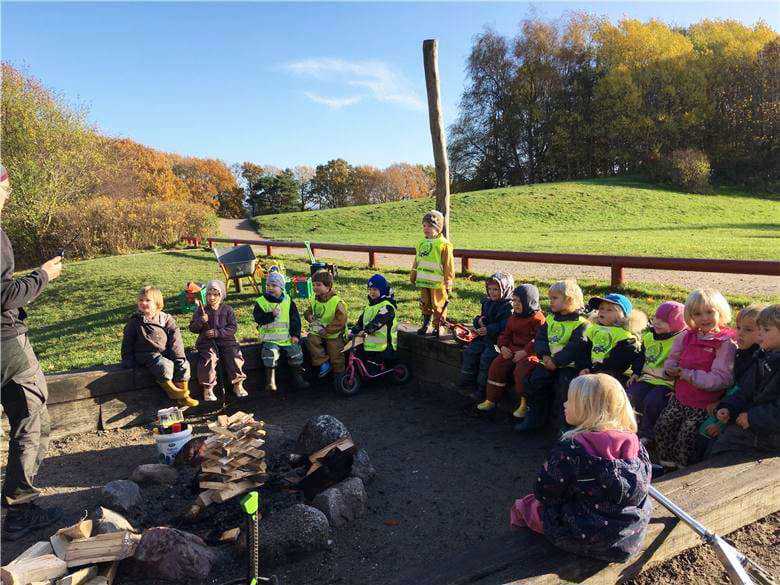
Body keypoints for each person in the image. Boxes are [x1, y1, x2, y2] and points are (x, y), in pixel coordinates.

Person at [510, 374, 652, 562]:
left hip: (587, 534)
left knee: (524, 506)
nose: (565, 404)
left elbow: (544, 492)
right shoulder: (635, 443)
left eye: (570, 400)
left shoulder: (572, 448)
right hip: (630, 534)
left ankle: (518, 554)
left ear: (587, 409)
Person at [0, 164, 65, 539]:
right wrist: (43, 276)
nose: (8, 197)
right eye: (6, 190)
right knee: (32, 419)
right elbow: (4, 294)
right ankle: (21, 510)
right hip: (7, 345)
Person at [653, 289, 736, 468]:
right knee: (663, 427)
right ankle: (667, 465)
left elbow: (722, 378)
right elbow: (673, 358)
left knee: (686, 438)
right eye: (697, 314)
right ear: (690, 316)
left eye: (709, 312)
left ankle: (682, 472)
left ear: (720, 312)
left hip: (702, 405)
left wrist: (687, 375)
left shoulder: (724, 343)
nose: (704, 318)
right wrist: (670, 370)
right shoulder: (686, 336)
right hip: (680, 398)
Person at [515, 279, 588, 432]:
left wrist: (556, 361)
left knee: (565, 389)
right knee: (534, 381)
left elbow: (574, 348)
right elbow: (541, 339)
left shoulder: (581, 324)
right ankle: (534, 418)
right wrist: (545, 356)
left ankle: (565, 427)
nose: (550, 302)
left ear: (569, 300)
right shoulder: (550, 319)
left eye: (555, 298)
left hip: (569, 365)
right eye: (550, 298)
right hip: (548, 362)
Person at [693, 304, 764, 458]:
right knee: (701, 430)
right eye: (738, 328)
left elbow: (748, 393)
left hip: (741, 414)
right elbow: (733, 385)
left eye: (748, 330)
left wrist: (722, 423)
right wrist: (720, 402)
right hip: (730, 404)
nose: (740, 333)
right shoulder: (741, 353)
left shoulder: (758, 360)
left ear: (762, 332)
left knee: (710, 437)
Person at [708, 304, 780, 458]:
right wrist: (728, 407)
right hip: (756, 423)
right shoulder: (763, 357)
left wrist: (752, 418)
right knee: (714, 443)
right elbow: (745, 389)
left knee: (723, 449)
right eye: (759, 329)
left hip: (770, 433)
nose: (760, 335)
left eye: (766, 330)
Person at [121, 286, 198, 407]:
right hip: (146, 354)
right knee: (164, 364)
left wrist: (178, 356)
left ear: (157, 303)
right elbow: (127, 342)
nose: (143, 303)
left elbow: (175, 339)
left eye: (147, 300)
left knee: (183, 364)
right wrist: (127, 359)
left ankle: (183, 395)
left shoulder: (166, 319)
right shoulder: (135, 322)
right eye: (140, 300)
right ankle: (172, 391)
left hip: (165, 352)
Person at [477, 284, 545, 419]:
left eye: (520, 301)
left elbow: (538, 339)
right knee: (497, 365)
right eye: (514, 301)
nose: (516, 304)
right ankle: (492, 398)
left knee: (521, 371)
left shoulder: (538, 319)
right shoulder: (513, 317)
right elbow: (505, 334)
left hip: (530, 353)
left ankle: (524, 403)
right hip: (512, 349)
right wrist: (503, 347)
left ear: (530, 301)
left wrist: (526, 352)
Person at [626, 301, 687, 444]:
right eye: (656, 319)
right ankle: (630, 427)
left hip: (666, 383)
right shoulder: (649, 337)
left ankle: (648, 434)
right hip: (647, 377)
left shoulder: (680, 340)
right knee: (630, 394)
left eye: (664, 321)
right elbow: (641, 357)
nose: (657, 323)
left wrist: (678, 388)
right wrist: (636, 372)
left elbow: (683, 364)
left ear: (677, 323)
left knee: (653, 401)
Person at [457, 272, 514, 403]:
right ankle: (467, 382)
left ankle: (482, 389)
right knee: (470, 352)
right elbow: (481, 317)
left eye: (496, 289)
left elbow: (504, 325)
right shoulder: (487, 302)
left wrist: (488, 329)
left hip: (497, 341)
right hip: (484, 337)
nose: (492, 292)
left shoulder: (508, 307)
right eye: (490, 289)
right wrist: (479, 322)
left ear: (505, 289)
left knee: (486, 359)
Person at [188, 279, 247, 401]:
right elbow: (192, 328)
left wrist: (218, 332)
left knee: (234, 355)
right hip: (207, 342)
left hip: (226, 341)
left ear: (221, 296)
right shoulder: (201, 310)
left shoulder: (227, 309)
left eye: (215, 294)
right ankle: (208, 389)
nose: (212, 297)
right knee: (209, 358)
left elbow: (233, 327)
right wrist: (200, 321)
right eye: (209, 294)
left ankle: (238, 385)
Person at [253, 271, 310, 392]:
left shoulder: (288, 301)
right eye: (268, 285)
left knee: (296, 353)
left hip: (287, 338)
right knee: (269, 354)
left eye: (274, 286)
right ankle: (270, 382)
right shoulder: (261, 302)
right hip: (270, 338)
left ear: (281, 287)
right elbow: (258, 318)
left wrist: (295, 335)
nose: (270, 288)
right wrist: (270, 315)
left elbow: (295, 320)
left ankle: (298, 378)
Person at [579, 293, 645, 383]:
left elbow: (620, 360)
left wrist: (598, 370)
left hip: (613, 375)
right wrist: (585, 367)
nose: (602, 311)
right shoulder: (593, 330)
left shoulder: (625, 336)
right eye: (601, 308)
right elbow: (584, 350)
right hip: (592, 371)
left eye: (609, 310)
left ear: (622, 316)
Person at [410, 210, 454, 337]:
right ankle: (426, 323)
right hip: (424, 280)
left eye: (430, 226)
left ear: (438, 228)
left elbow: (448, 264)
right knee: (425, 302)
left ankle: (439, 325)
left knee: (438, 304)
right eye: (424, 225)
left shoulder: (444, 244)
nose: (426, 228)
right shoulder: (421, 243)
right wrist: (413, 273)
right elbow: (417, 260)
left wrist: (448, 280)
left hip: (437, 282)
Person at [348, 274, 398, 371]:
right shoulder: (369, 307)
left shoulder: (387, 307)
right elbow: (360, 322)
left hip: (384, 347)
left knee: (372, 369)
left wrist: (366, 330)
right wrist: (353, 331)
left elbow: (378, 322)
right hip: (370, 345)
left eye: (375, 290)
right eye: (370, 289)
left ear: (382, 290)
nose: (372, 292)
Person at [305, 269, 348, 378]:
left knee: (336, 354)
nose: (315, 288)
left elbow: (341, 320)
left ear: (328, 286)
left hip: (334, 333)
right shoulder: (314, 299)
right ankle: (323, 363)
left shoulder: (336, 302)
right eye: (313, 285)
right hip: (318, 330)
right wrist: (309, 316)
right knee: (311, 339)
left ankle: (340, 375)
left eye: (318, 285)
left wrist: (328, 330)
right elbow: (308, 311)